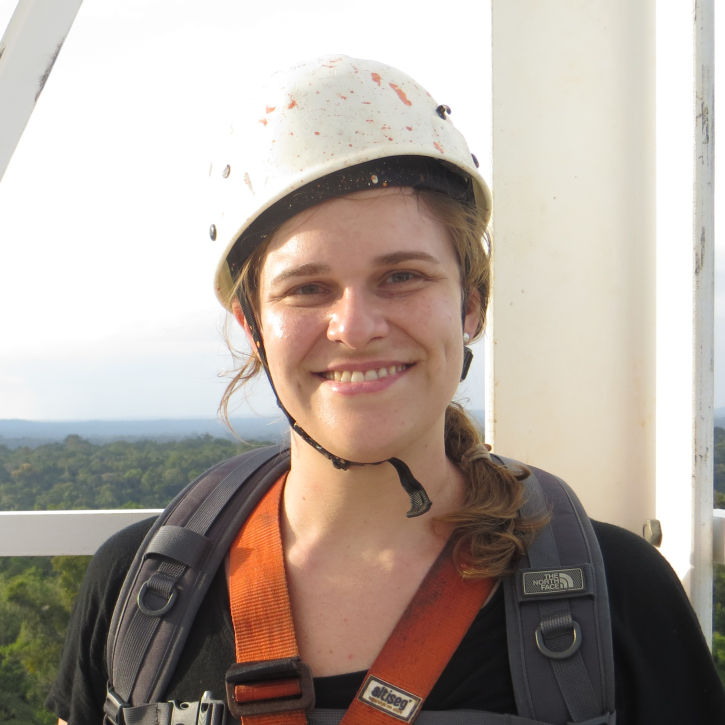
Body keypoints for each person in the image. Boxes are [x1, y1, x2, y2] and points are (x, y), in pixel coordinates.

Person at [48, 55, 725, 725]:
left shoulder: (616, 595)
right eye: (306, 289)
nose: (356, 327)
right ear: (252, 327)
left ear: (471, 305)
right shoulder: (139, 594)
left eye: (401, 275)